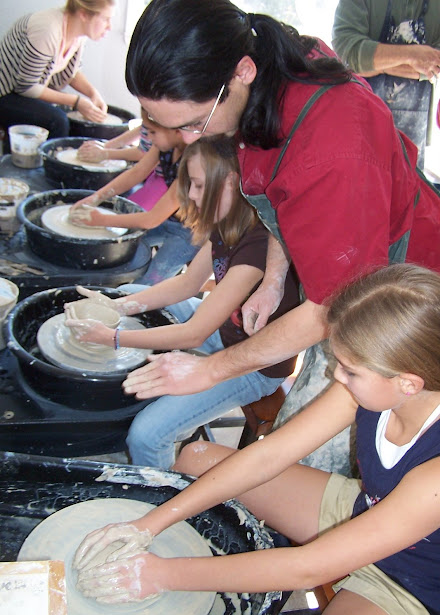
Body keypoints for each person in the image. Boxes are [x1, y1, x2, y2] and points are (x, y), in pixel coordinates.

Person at [74, 263, 440, 615]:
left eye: (350, 371)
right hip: (367, 508)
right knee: (197, 459)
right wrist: (149, 524)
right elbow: (270, 454)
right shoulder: (374, 388)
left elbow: (308, 568)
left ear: (409, 382)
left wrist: (159, 574)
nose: (338, 377)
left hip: (411, 581)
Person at [116, 0, 440, 429]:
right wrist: (272, 280)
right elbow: (283, 193)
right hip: (345, 263)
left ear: (242, 73)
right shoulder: (272, 66)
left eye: (196, 122)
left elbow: (332, 307)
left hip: (407, 295)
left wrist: (209, 370)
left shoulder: (332, 153)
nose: (189, 139)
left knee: (320, 447)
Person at [65, 136, 299, 468]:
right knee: (132, 292)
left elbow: (193, 335)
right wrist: (117, 304)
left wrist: (114, 337)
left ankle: (160, 496)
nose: (189, 195)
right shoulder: (229, 220)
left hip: (255, 364)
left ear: (231, 181)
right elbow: (189, 283)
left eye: (200, 186)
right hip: (225, 330)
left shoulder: (258, 243)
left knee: (146, 435)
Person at [70, 113, 199, 285]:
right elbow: (137, 172)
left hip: (189, 232)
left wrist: (101, 220)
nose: (148, 138)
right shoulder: (166, 145)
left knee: (149, 282)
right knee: (123, 248)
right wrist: (96, 197)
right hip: (168, 218)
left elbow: (151, 219)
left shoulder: (192, 163)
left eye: (153, 132)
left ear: (177, 131)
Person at [332, 0, 440, 169]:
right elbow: (347, 52)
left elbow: (435, 64)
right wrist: (412, 56)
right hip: (358, 130)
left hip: (412, 138)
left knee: (407, 188)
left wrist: (373, 63)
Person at [0, 0, 114, 141]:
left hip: (24, 92)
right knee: (58, 120)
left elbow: (71, 73)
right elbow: (26, 87)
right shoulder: (47, 29)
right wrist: (77, 101)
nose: (109, 27)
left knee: (72, 115)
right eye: (105, 19)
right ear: (84, 14)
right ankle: (48, 161)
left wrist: (93, 94)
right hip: (6, 93)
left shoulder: (78, 35)